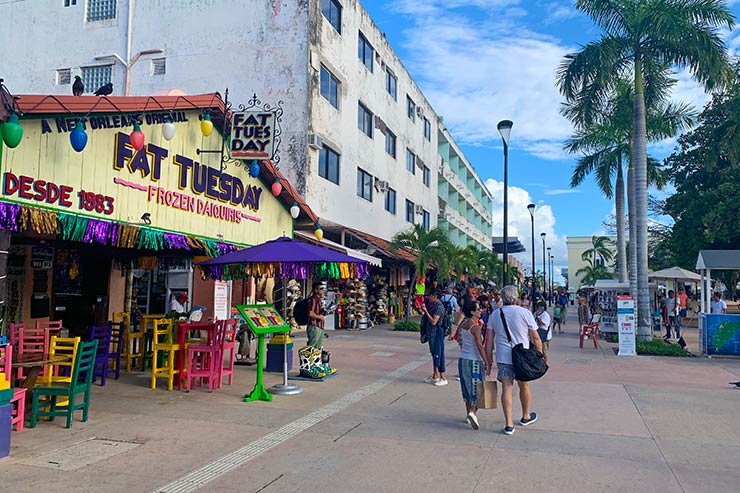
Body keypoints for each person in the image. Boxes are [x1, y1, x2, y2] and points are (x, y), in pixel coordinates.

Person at [485, 285, 543, 436]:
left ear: (503, 298)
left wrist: (488, 361)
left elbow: (489, 341)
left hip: (503, 356)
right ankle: (525, 416)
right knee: (524, 385)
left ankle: (509, 424)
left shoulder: (495, 314)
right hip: (522, 356)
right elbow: (535, 337)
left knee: (507, 388)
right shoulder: (525, 313)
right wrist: (539, 354)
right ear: (516, 297)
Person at [457, 300, 491, 430]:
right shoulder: (475, 328)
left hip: (463, 359)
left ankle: (468, 414)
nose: (480, 311)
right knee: (479, 390)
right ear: (472, 312)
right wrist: (487, 362)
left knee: (467, 388)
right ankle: (472, 412)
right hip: (475, 360)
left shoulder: (464, 325)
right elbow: (480, 347)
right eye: (478, 309)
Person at [422, 288, 448, 386]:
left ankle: (442, 376)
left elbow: (434, 321)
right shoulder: (435, 305)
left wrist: (425, 311)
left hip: (436, 333)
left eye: (430, 296)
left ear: (435, 296)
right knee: (434, 354)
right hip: (432, 333)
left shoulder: (439, 307)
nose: (428, 297)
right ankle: (435, 375)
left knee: (438, 353)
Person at [307, 282, 326, 348]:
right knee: (312, 347)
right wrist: (319, 317)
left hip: (319, 326)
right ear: (315, 290)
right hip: (314, 326)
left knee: (318, 347)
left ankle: (316, 358)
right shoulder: (313, 299)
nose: (323, 290)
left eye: (323, 289)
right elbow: (310, 313)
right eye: (321, 289)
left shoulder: (318, 300)